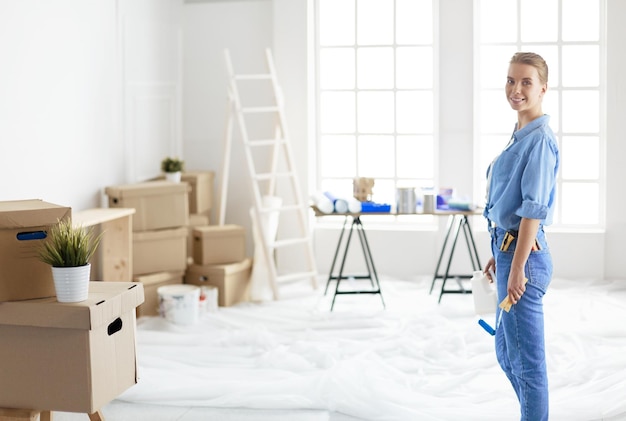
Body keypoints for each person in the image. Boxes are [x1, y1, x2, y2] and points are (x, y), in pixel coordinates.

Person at [483, 52, 559, 421]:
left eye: (526, 82)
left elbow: (532, 209)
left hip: (525, 259)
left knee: (529, 368)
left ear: (543, 89)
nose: (516, 89)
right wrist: (500, 252)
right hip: (511, 250)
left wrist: (518, 266)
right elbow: (508, 204)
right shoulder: (520, 134)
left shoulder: (540, 139)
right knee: (505, 351)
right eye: (511, 80)